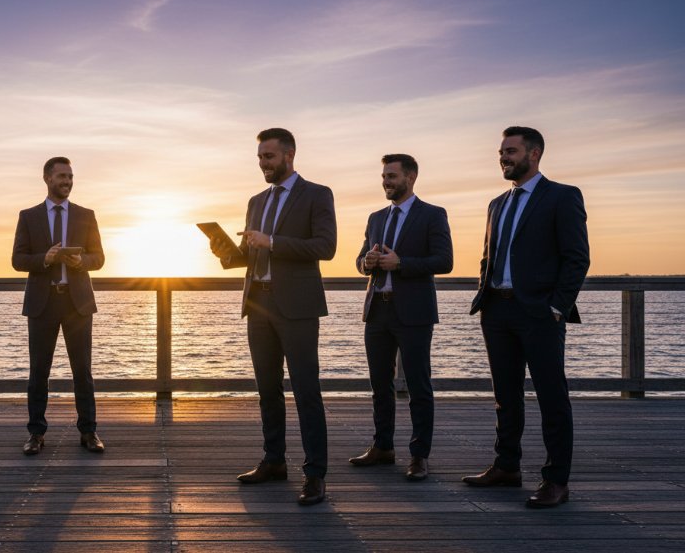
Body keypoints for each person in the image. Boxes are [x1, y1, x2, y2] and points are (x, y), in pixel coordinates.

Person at [463, 126, 590, 508]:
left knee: (552, 397)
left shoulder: (562, 196)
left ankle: (556, 480)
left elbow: (577, 258)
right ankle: (507, 467)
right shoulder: (496, 203)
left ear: (533, 154)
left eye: (511, 151)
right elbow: (488, 256)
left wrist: (557, 307)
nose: (504, 157)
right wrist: (485, 295)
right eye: (501, 152)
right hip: (497, 310)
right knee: (505, 396)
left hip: (539, 313)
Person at [208, 128, 336, 506]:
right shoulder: (256, 201)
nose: (263, 163)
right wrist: (225, 252)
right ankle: (274, 460)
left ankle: (315, 474)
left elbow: (325, 247)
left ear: (289, 155)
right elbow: (248, 256)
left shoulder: (317, 194)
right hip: (258, 305)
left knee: (306, 391)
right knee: (267, 389)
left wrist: (273, 242)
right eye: (260, 157)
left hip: (297, 307)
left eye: (269, 156)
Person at [351, 154, 453, 481]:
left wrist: (402, 263)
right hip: (377, 310)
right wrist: (366, 262)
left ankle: (419, 455)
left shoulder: (433, 214)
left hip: (414, 312)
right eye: (384, 176)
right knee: (379, 384)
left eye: (392, 176)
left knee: (418, 385)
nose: (386, 181)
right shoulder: (376, 217)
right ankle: (382, 447)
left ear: (410, 177)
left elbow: (444, 261)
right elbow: (360, 260)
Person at [12, 156, 106, 455]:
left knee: (83, 371)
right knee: (39, 371)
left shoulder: (86, 215)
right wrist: (46, 259)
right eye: (62, 176)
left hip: (77, 302)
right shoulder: (28, 216)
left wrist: (81, 262)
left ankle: (89, 431)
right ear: (48, 178)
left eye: (70, 176)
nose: (67, 181)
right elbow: (17, 260)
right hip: (43, 302)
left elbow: (99, 258)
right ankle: (36, 433)